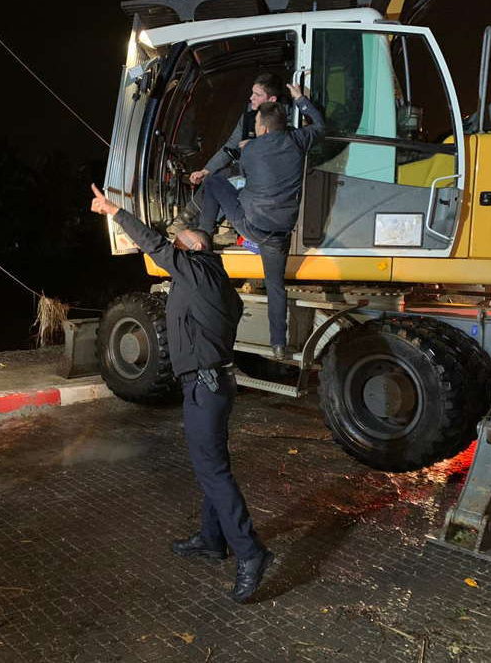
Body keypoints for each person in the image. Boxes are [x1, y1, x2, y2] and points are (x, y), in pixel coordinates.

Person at [90, 183, 274, 604]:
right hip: (216, 384)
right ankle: (212, 539)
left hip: (205, 388)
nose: (171, 248)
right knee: (213, 464)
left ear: (192, 248)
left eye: (178, 243)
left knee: (214, 472)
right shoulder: (217, 280)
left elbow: (152, 242)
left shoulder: (196, 270)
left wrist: (112, 209)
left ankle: (251, 552)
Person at [198, 82, 325, 361]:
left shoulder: (251, 150)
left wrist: (247, 148)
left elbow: (243, 172)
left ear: (264, 128)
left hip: (252, 225)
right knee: (275, 285)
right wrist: (301, 99)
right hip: (280, 233)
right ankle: (278, 344)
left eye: (256, 123)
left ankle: (203, 237)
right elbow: (319, 125)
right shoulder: (297, 141)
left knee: (215, 181)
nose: (255, 126)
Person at [188, 72, 288, 187]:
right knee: (211, 183)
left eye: (257, 95)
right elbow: (232, 144)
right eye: (252, 93)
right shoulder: (248, 114)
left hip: (270, 178)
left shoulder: (287, 118)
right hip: (245, 171)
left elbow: (282, 147)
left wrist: (253, 145)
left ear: (272, 99)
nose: (251, 98)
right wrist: (206, 171)